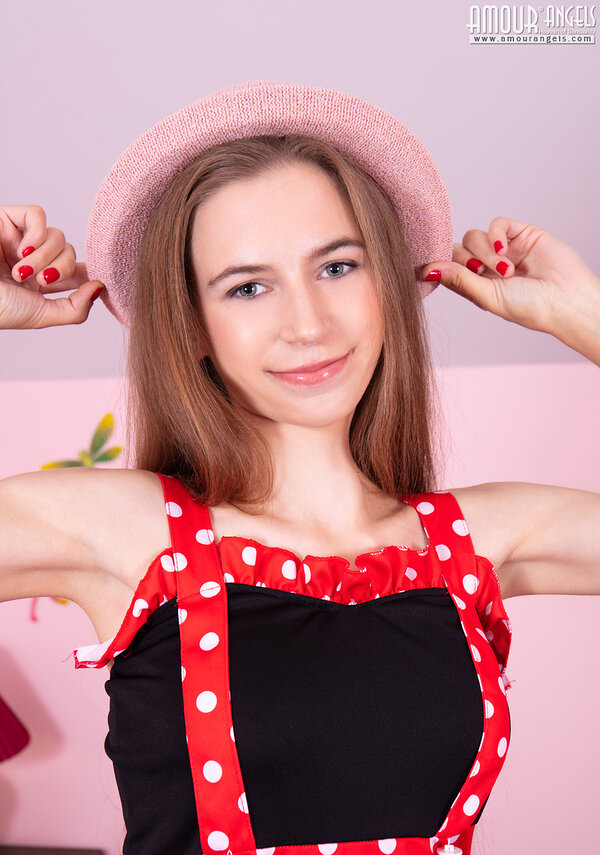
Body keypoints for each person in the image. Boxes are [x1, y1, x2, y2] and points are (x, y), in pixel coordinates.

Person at [0, 80, 598, 855]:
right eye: (248, 287)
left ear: (387, 282)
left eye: (338, 267)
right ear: (193, 325)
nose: (308, 323)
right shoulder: (128, 532)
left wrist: (585, 315)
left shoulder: (475, 542)